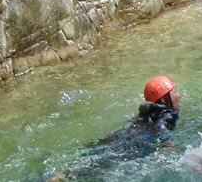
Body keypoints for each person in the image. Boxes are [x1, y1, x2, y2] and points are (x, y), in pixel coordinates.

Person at [51, 76, 183, 178]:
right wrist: (174, 149)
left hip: (126, 135)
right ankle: (62, 176)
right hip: (136, 142)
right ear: (165, 100)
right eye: (175, 92)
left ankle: (60, 174)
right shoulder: (167, 114)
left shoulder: (147, 112)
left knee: (98, 152)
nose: (179, 96)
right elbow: (161, 131)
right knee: (100, 164)